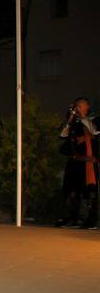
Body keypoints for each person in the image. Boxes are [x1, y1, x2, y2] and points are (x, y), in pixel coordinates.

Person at [57, 97, 98, 229]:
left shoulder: (94, 120)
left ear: (87, 107)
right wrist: (70, 119)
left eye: (80, 106)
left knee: (89, 192)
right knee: (72, 190)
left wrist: (83, 117)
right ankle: (73, 219)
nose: (78, 108)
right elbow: (63, 135)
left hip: (89, 162)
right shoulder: (74, 122)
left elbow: (94, 131)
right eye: (76, 106)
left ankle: (90, 221)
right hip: (75, 161)